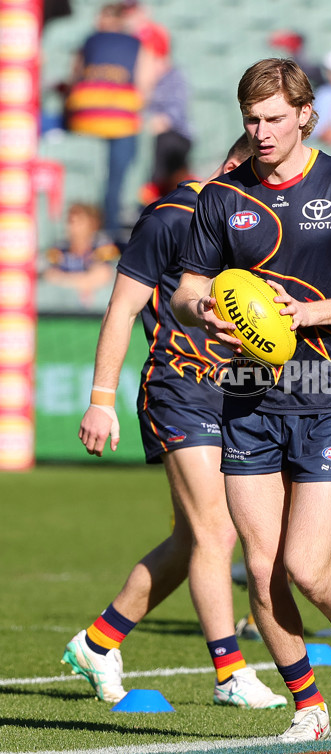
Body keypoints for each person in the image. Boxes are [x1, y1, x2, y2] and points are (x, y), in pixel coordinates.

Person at [171, 58, 331, 742]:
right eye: (252, 119)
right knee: (260, 563)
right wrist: (205, 313)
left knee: (308, 565)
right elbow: (187, 290)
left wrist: (308, 315)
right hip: (247, 396)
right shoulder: (222, 197)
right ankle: (307, 705)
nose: (263, 130)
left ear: (305, 113)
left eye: (275, 117)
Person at [63, 136, 287, 711]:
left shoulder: (256, 226)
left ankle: (99, 641)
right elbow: (122, 309)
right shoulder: (171, 215)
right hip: (177, 388)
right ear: (235, 164)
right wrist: (101, 398)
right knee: (217, 530)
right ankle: (230, 672)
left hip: (234, 393)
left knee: (193, 538)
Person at [64, 3, 154, 241]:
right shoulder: (136, 44)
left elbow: (75, 75)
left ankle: (82, 230)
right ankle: (110, 230)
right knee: (115, 178)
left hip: (85, 120)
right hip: (122, 119)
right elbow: (145, 82)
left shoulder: (89, 42)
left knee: (85, 176)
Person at [138, 23, 194, 203]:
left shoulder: (174, 77)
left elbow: (172, 116)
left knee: (165, 140)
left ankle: (156, 191)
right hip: (147, 135)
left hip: (176, 135)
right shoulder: (137, 79)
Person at [42, 203, 120, 307]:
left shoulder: (102, 245)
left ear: (91, 224)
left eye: (79, 222)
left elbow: (104, 275)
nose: (73, 227)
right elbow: (49, 276)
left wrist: (65, 279)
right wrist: (84, 282)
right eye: (70, 222)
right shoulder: (59, 249)